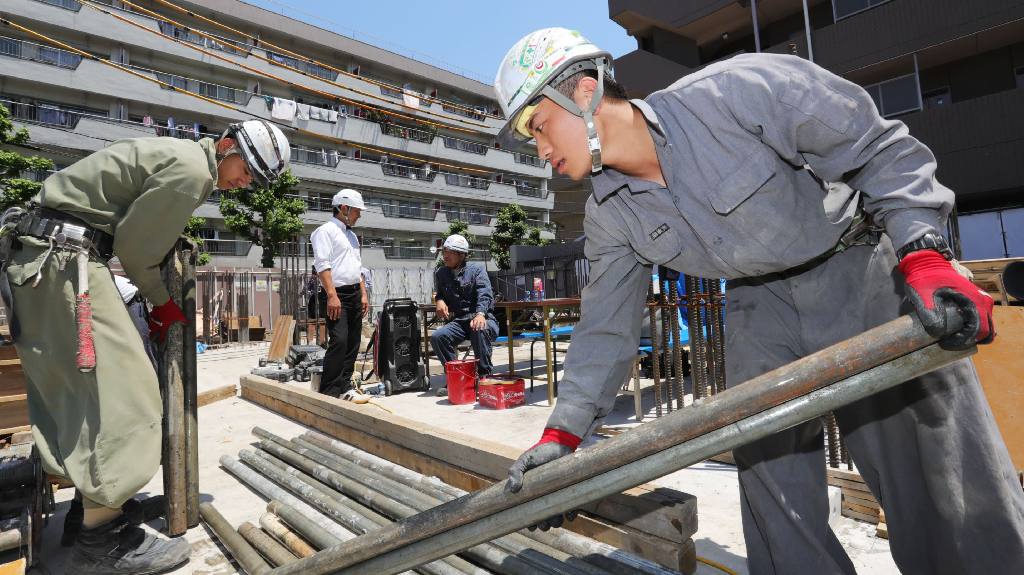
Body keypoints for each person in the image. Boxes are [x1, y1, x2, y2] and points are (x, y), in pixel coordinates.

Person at [494, 28, 1024, 574]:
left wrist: (924, 254)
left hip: (856, 265)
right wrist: (563, 435)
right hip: (757, 305)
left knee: (940, 474)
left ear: (583, 94)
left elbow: (878, 148)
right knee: (773, 486)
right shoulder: (610, 215)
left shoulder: (736, 92)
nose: (541, 151)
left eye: (538, 127)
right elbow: (605, 328)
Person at [0, 119, 289, 574]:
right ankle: (102, 544)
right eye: (246, 170)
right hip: (63, 261)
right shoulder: (193, 170)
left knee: (86, 396)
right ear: (228, 145)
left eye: (253, 179)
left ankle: (91, 511)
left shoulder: (179, 156)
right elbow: (136, 249)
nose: (243, 182)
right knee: (128, 398)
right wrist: (161, 301)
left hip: (43, 258)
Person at [310, 188, 369, 398]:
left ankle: (345, 385)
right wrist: (332, 295)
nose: (359, 215)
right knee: (339, 340)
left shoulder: (352, 236)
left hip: (354, 293)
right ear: (344, 208)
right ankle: (330, 389)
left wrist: (363, 293)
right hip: (337, 294)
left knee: (353, 341)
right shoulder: (324, 231)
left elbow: (358, 268)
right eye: (356, 211)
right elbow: (322, 266)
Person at [430, 234, 498, 396]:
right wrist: (439, 300)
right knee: (438, 337)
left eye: (450, 251)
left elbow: (485, 293)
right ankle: (457, 378)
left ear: (461, 255)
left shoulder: (476, 270)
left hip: (484, 318)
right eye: (444, 251)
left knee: (478, 327)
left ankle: (484, 377)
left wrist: (481, 313)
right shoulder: (441, 273)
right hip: (460, 321)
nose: (445, 255)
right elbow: (439, 294)